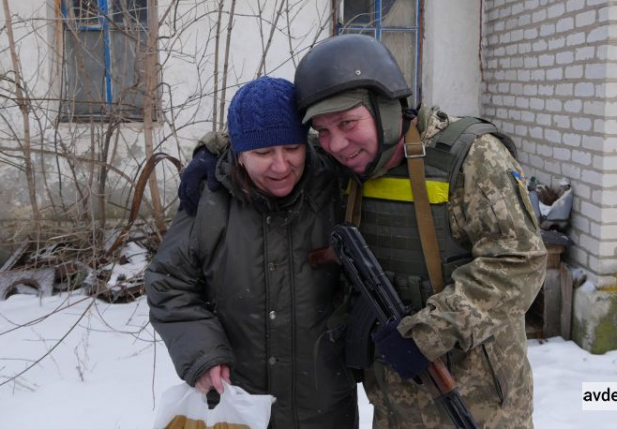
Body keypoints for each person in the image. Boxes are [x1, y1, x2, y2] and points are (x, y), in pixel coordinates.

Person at [180, 35, 547, 428]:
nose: (337, 143)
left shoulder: (470, 157)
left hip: (477, 404)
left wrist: (429, 332)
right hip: (391, 404)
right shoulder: (347, 159)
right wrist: (217, 152)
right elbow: (269, 138)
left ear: (386, 106)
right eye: (323, 131)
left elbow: (519, 263)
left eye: (347, 123)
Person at [145, 76, 358, 429]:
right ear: (239, 153)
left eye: (292, 148)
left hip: (324, 405)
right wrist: (202, 354)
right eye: (262, 152)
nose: (281, 165)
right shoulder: (209, 198)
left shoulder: (336, 185)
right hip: (238, 406)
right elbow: (168, 282)